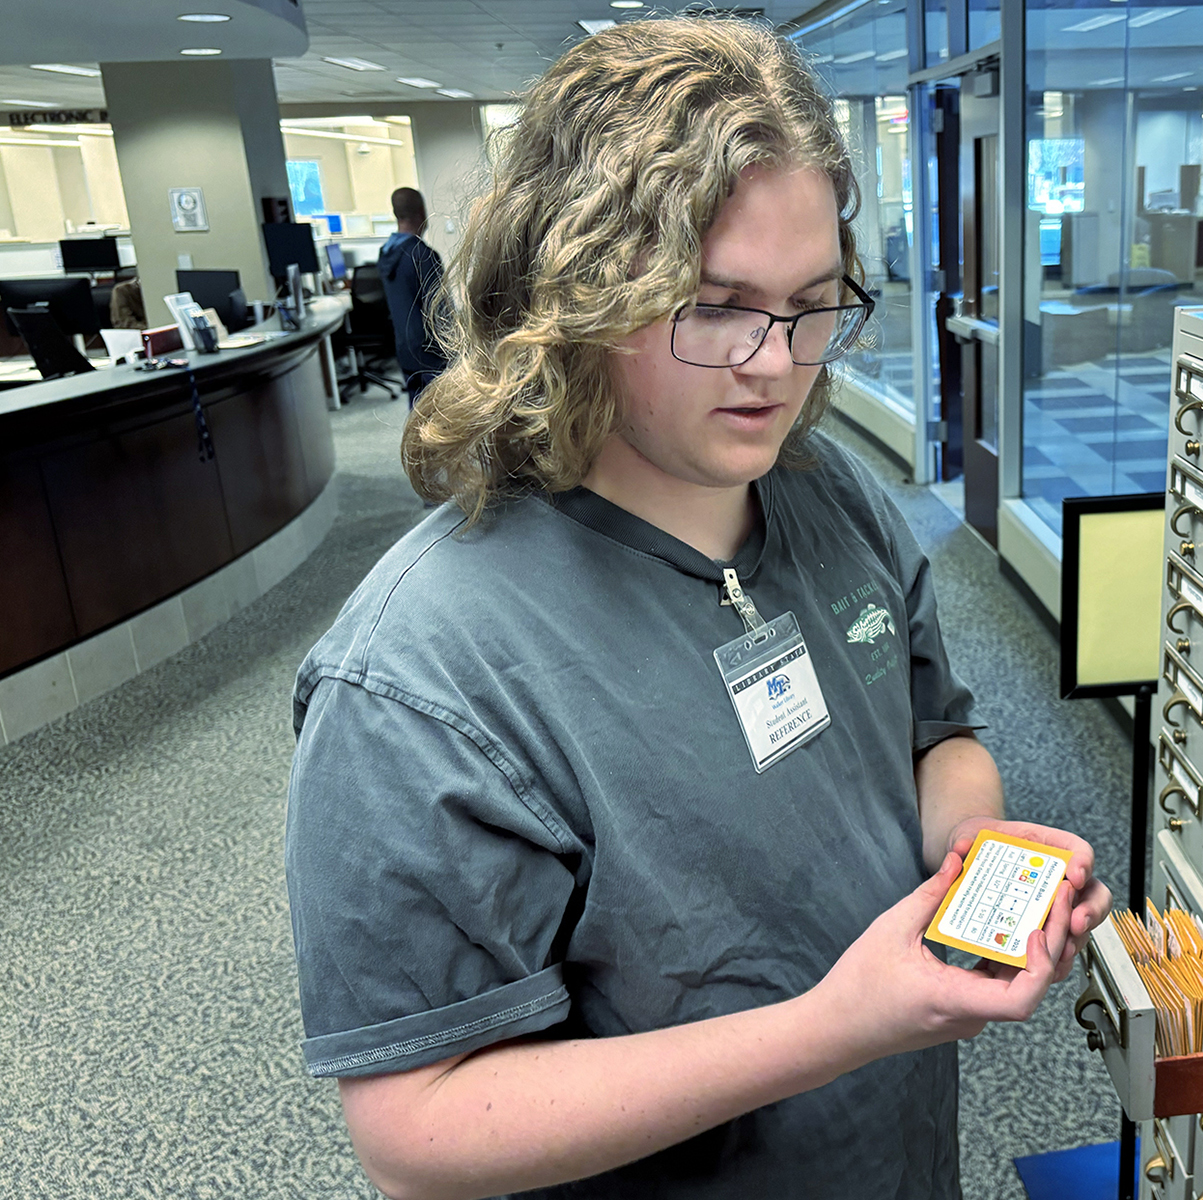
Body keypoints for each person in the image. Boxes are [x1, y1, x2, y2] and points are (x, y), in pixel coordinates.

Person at [284, 18, 1110, 1200]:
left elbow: (936, 732)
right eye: (715, 306)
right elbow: (418, 1128)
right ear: (572, 294)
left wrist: (977, 849)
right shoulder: (422, 677)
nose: (775, 363)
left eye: (812, 304)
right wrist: (837, 1025)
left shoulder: (829, 496)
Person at [377, 185, 450, 403]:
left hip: (405, 350)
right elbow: (441, 310)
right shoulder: (422, 255)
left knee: (417, 412)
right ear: (422, 212)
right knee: (439, 416)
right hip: (431, 353)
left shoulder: (385, 254)